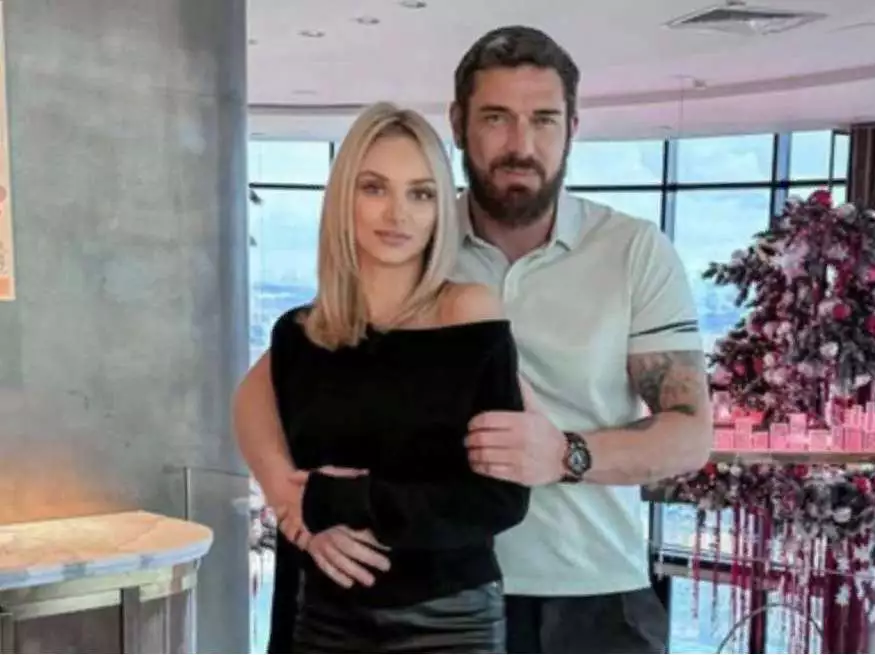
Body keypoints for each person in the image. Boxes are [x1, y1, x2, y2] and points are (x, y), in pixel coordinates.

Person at [235, 26, 713, 654]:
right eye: (496, 118)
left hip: (586, 591)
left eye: (543, 119)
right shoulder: (412, 239)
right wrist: (288, 499)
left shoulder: (632, 250)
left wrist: (566, 454)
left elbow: (689, 434)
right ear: (459, 125)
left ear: (572, 127)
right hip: (421, 580)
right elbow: (266, 387)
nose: (521, 143)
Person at [236, 101, 530, 653]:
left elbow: (501, 499)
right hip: (321, 616)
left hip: (448, 622)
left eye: (421, 194)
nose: (398, 214)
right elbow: (248, 410)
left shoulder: (469, 313)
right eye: (374, 188)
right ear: (343, 199)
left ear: (441, 209)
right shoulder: (301, 334)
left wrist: (343, 500)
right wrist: (295, 513)